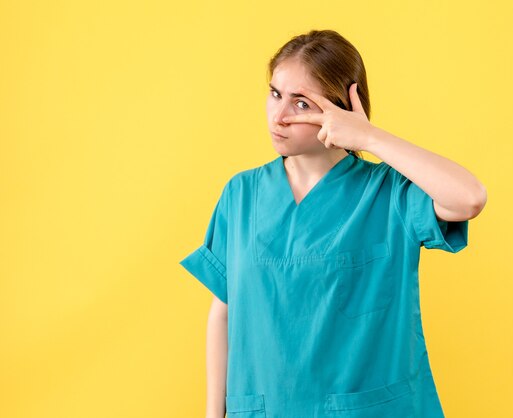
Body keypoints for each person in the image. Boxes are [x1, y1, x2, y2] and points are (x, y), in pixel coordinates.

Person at [179, 29, 487, 418]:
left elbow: (469, 198)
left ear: (340, 110)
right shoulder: (241, 195)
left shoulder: (388, 194)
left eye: (302, 103)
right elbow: (223, 312)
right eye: (275, 94)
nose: (280, 116)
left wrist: (370, 137)